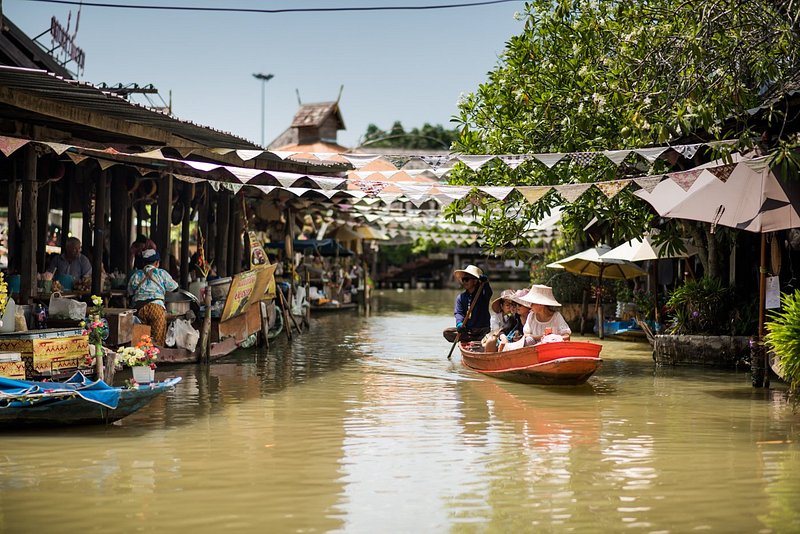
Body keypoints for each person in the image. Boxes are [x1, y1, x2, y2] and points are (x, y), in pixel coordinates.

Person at [128, 248, 179, 346]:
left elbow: (130, 293)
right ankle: (156, 354)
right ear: (156, 262)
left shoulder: (136, 275)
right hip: (156, 308)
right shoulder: (161, 273)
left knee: (141, 340)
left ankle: (141, 354)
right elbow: (175, 288)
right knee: (157, 341)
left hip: (139, 308)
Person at [442, 264, 492, 343]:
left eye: (467, 279)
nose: (464, 282)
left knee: (489, 337)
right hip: (468, 331)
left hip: (483, 330)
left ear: (475, 281)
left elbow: (488, 292)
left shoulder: (483, 295)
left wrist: (486, 283)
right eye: (463, 279)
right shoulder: (461, 297)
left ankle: (479, 339)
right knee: (447, 333)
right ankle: (472, 339)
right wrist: (459, 324)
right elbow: (459, 313)